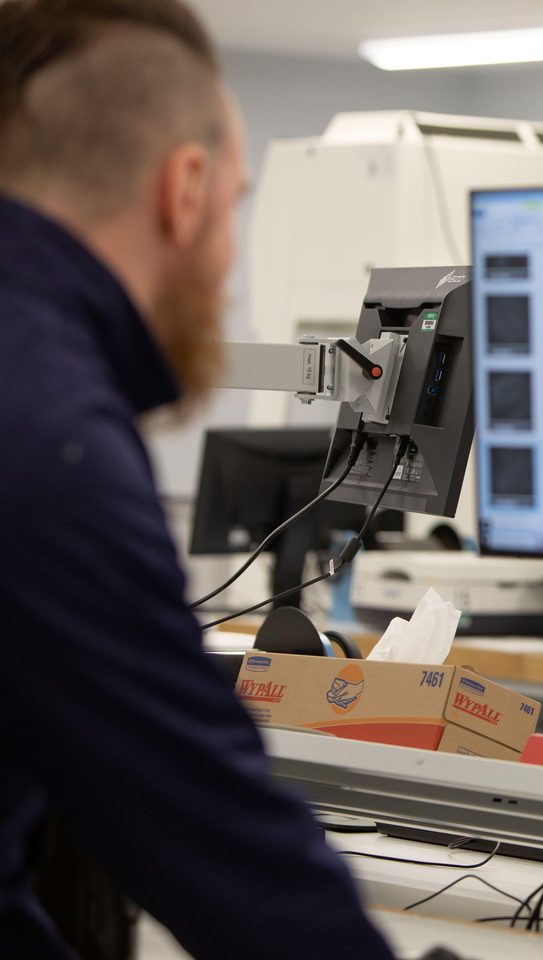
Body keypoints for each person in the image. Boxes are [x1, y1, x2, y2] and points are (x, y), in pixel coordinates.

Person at [0, 2, 400, 956]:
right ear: (185, 190)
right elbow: (217, 849)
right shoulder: (48, 437)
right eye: (235, 206)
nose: (228, 263)